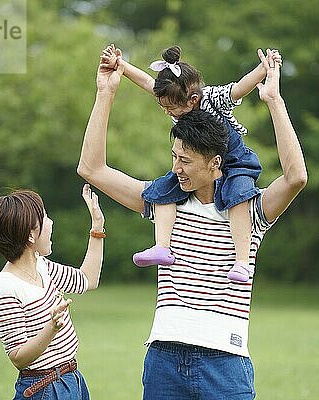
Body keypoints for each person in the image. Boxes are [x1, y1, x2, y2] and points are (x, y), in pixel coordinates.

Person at [78, 48, 307, 399]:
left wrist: (273, 100)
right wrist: (106, 92)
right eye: (174, 157)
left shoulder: (248, 211)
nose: (176, 169)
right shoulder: (164, 201)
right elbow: (92, 169)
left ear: (216, 163)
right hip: (163, 358)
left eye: (185, 161)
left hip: (225, 362)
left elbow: (295, 178)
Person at [100, 44, 282, 282]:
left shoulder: (212, 98)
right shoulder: (174, 98)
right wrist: (122, 67)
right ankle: (162, 247)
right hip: (199, 164)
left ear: (193, 99)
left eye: (172, 108)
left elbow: (239, 88)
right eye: (163, 108)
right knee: (163, 190)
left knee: (239, 197)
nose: (168, 113)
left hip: (235, 161)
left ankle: (242, 262)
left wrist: (263, 69)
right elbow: (148, 82)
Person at [0, 184, 105, 400]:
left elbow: (88, 279)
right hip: (43, 389)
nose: (51, 223)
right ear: (30, 235)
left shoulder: (43, 267)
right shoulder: (5, 289)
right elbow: (19, 357)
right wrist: (52, 327)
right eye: (45, 218)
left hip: (71, 380)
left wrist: (97, 226)